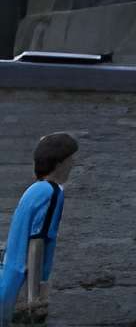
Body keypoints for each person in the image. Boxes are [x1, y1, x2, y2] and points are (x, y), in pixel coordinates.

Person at [0, 134, 78, 326]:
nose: (73, 164)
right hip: (18, 286)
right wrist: (34, 298)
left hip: (8, 278)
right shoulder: (52, 192)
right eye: (70, 159)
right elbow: (37, 241)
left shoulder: (33, 189)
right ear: (59, 163)